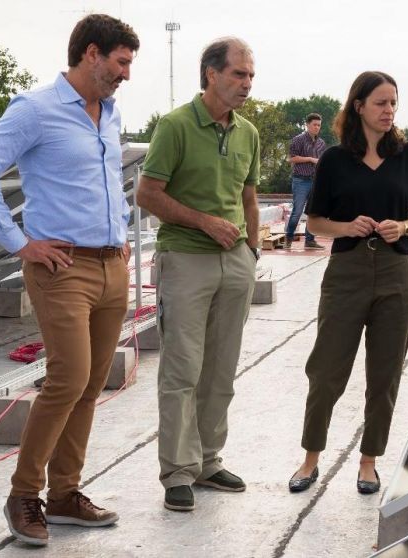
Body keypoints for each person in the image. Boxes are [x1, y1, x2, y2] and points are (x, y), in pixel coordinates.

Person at [0, 14, 138, 547]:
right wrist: (20, 244)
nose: (126, 74)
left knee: (90, 385)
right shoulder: (35, 110)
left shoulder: (110, 112)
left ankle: (64, 495)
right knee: (67, 378)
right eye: (121, 62)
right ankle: (23, 496)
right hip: (61, 268)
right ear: (90, 54)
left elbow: (106, 181)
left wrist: (120, 231)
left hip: (111, 265)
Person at [287, 71, 408, 495]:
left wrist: (403, 226)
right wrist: (347, 226)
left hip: (396, 273)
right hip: (346, 273)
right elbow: (315, 222)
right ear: (358, 106)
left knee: (384, 374)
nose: (389, 111)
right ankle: (310, 458)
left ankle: (369, 462)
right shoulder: (334, 159)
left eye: (393, 103)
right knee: (326, 369)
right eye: (380, 103)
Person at [136, 37, 260, 513]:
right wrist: (204, 221)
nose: (247, 84)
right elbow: (148, 195)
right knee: (182, 369)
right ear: (211, 74)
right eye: (238, 74)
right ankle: (177, 472)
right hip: (186, 257)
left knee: (222, 370)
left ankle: (208, 461)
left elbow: (249, 196)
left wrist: (251, 249)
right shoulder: (176, 126)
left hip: (236, 264)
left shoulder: (247, 132)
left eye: (250, 75)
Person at [286, 113, 327, 250]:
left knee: (313, 212)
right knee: (297, 212)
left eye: (319, 125)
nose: (317, 127)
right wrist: (309, 159)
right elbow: (291, 158)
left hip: (315, 181)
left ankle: (310, 240)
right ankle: (288, 239)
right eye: (314, 124)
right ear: (307, 125)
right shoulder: (298, 140)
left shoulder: (321, 143)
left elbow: (321, 162)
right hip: (300, 181)